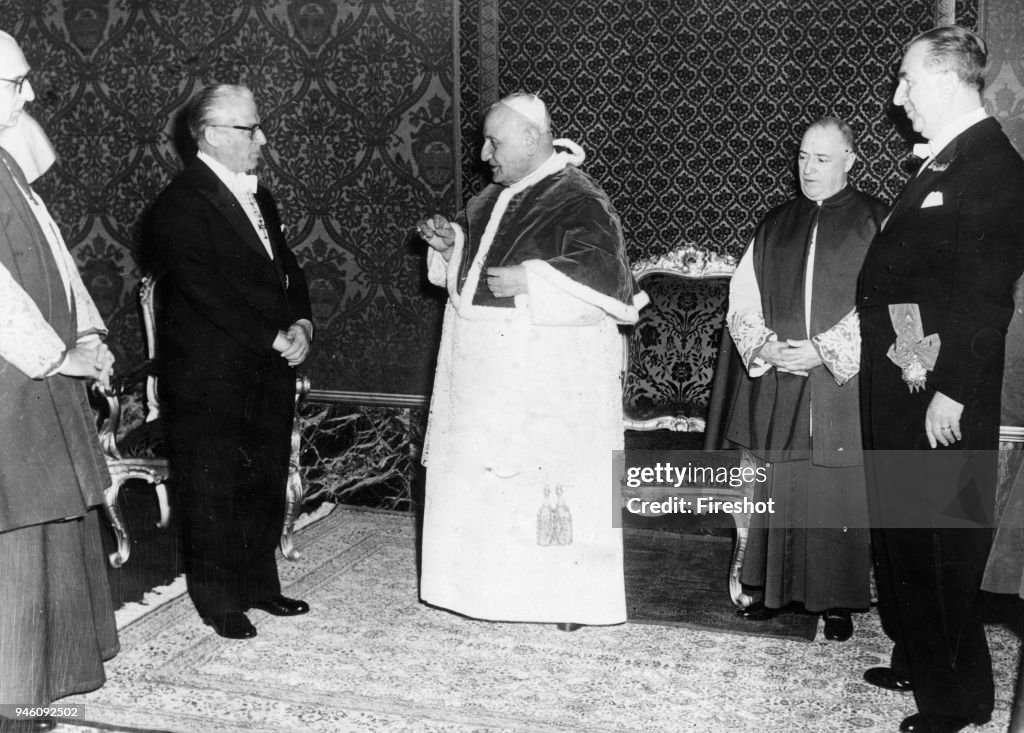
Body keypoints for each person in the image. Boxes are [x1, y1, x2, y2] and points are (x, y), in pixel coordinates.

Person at [416, 92, 646, 629]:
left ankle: (565, 598)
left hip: (549, 377)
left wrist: (532, 279)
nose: (483, 153)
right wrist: (453, 246)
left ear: (531, 138)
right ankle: (481, 591)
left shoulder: (580, 197)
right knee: (487, 482)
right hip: (486, 375)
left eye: (493, 142)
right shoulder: (493, 196)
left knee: (544, 483)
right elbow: (475, 271)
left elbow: (605, 289)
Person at [858, 26, 1024, 733]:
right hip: (911, 378)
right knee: (906, 534)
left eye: (908, 82)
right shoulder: (942, 163)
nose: (899, 99)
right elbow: (913, 282)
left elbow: (985, 296)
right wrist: (910, 359)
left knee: (939, 544)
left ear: (951, 80)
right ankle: (920, 657)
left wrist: (949, 388)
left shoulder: (993, 167)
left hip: (946, 399)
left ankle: (959, 699)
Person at [146, 84, 313, 640]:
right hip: (209, 373)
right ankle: (218, 600)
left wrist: (302, 324)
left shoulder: (259, 195)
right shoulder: (180, 203)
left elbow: (287, 268)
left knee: (263, 474)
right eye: (250, 129)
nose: (262, 138)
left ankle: (259, 584)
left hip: (266, 361)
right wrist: (273, 336)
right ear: (213, 136)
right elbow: (205, 291)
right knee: (214, 485)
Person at [722, 118, 886, 641]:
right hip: (780, 373)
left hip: (840, 379)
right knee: (779, 482)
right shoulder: (775, 222)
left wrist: (823, 350)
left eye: (822, 159)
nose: (808, 169)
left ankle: (836, 601)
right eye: (802, 157)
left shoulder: (876, 220)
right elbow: (742, 296)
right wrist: (763, 344)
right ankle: (773, 591)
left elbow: (887, 305)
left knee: (835, 488)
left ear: (850, 160)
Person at [0, 31, 118, 732]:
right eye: (17, 83)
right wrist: (55, 355)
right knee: (14, 549)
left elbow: (52, 258)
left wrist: (87, 337)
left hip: (33, 379)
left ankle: (29, 703)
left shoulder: (8, 162)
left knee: (42, 541)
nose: (32, 95)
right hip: (11, 386)